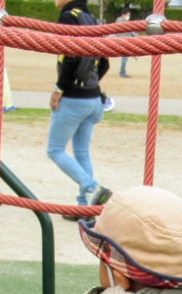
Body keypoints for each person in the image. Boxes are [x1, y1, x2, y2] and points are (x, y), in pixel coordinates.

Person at [47, 0, 111, 221]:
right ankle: (85, 208)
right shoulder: (92, 19)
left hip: (73, 99)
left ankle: (92, 188)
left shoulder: (69, 17)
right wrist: (90, 83)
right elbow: (105, 63)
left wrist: (59, 89)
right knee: (82, 152)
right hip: (94, 98)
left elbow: (70, 59)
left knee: (55, 150)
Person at [117, 10, 134, 78]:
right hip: (122, 42)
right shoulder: (120, 21)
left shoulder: (126, 22)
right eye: (127, 15)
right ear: (123, 15)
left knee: (125, 58)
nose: (128, 17)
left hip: (125, 41)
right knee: (124, 58)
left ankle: (122, 72)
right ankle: (122, 73)